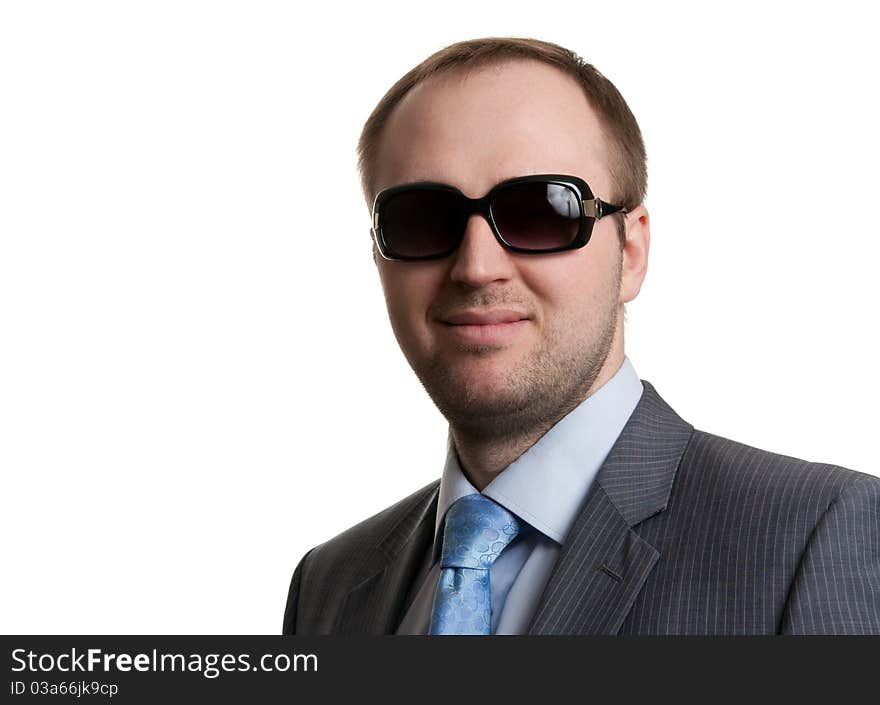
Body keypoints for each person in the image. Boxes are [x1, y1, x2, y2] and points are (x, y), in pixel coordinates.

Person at [282, 37, 880, 635]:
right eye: (420, 219)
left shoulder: (815, 537)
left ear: (633, 250)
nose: (476, 266)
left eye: (540, 210)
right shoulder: (328, 587)